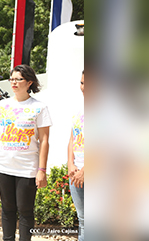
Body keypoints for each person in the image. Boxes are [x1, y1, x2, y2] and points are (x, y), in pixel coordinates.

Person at [0, 64, 51, 241]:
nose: (13, 82)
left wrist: (41, 170)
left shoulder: (39, 107)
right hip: (4, 167)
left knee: (25, 210)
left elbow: (44, 141)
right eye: (11, 79)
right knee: (7, 209)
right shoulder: (3, 105)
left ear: (29, 82)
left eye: (18, 79)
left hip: (27, 168)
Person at [68, 71, 84, 241]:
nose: (84, 88)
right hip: (76, 172)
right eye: (82, 83)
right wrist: (70, 164)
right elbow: (72, 138)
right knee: (84, 221)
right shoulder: (79, 109)